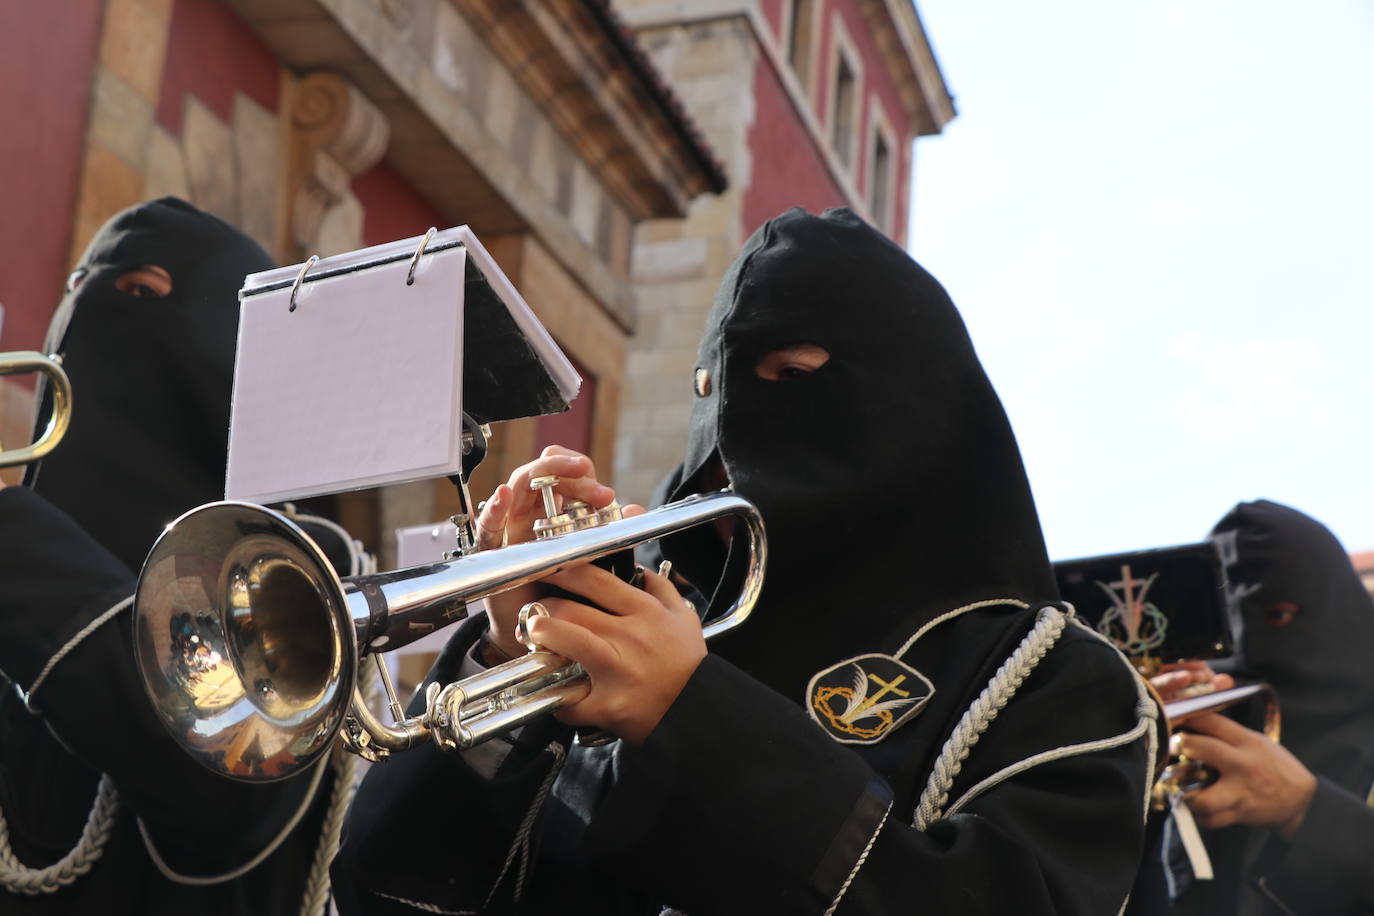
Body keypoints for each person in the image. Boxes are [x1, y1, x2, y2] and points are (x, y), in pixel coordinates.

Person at [332, 207, 1160, 915]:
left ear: (913, 407)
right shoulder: (642, 628)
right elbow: (387, 895)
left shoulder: (1058, 682)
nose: (731, 446)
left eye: (793, 376)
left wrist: (693, 718)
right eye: (709, 393)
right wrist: (504, 663)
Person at [0, 197, 367, 914]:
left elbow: (224, 791)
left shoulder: (294, 566)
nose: (84, 313)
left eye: (141, 292)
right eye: (78, 288)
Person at [1161, 500, 1374, 915]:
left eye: (1279, 616)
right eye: (1228, 631)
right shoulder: (1187, 748)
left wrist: (1304, 808)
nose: (1251, 649)